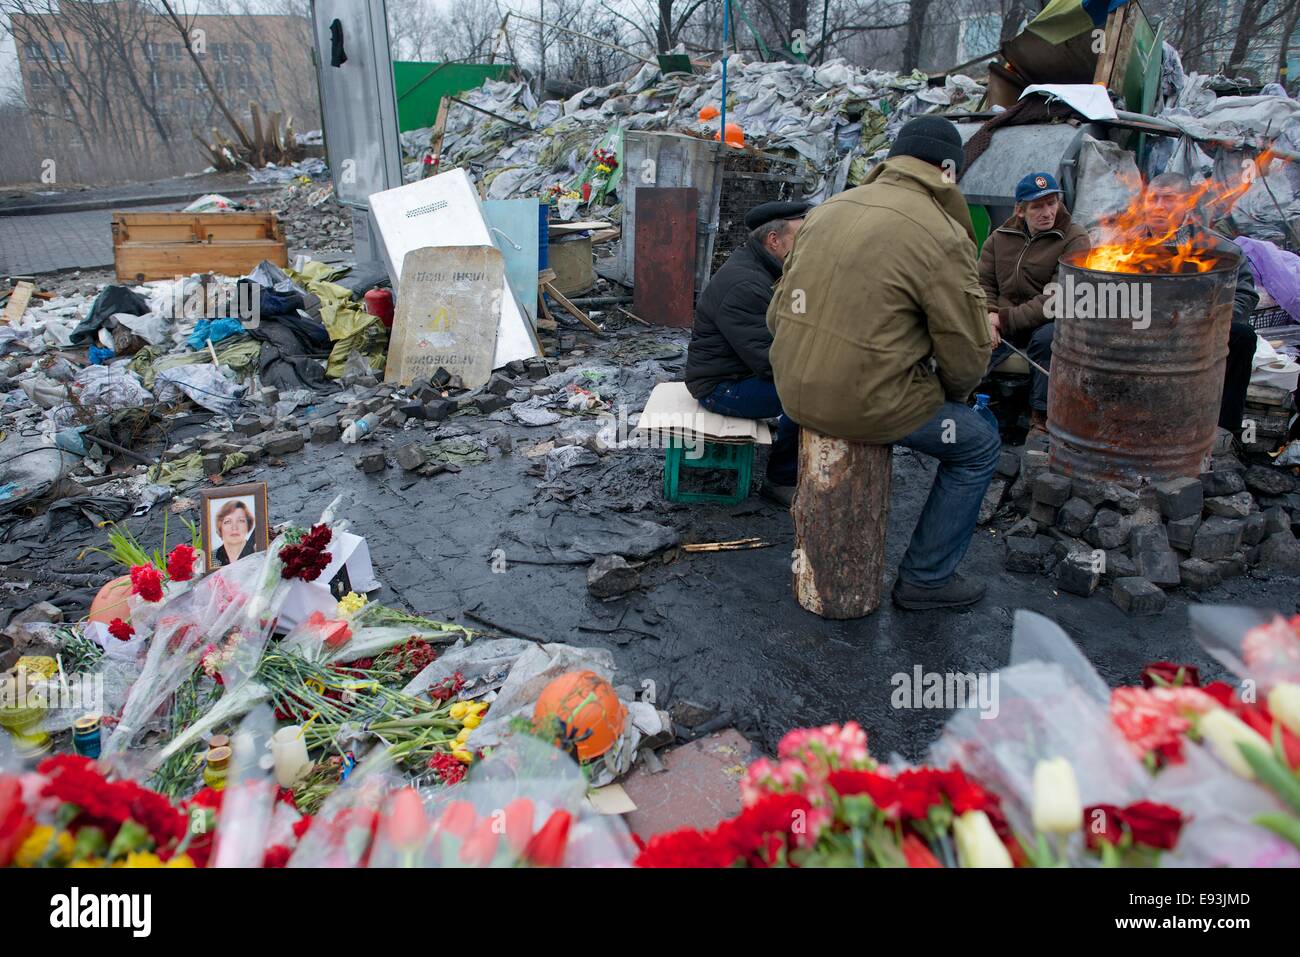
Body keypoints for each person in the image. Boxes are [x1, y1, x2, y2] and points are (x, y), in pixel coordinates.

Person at [768, 116, 1000, 610]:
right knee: (978, 443)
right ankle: (926, 579)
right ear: (948, 172)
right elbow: (965, 350)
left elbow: (777, 314)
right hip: (864, 404)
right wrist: (956, 396)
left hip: (791, 390)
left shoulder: (827, 210)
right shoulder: (943, 234)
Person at [685, 200, 811, 505]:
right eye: (801, 238)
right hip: (719, 388)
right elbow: (770, 362)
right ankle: (779, 479)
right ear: (773, 241)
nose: (808, 246)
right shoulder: (746, 283)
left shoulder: (763, 268)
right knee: (807, 396)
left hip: (737, 372)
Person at [1142, 172, 1260, 436]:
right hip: (1139, 329)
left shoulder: (1222, 250)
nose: (1159, 206)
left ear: (1188, 203)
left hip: (1199, 331)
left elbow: (1245, 296)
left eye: (1169, 199)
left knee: (1242, 337)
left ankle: (1224, 432)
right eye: (1153, 198)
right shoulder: (1122, 246)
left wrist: (1206, 320)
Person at [978, 172, 1090, 432]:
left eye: (1052, 203)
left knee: (1048, 340)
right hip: (1003, 318)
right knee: (969, 336)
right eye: (1037, 206)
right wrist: (987, 315)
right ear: (1020, 210)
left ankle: (1041, 417)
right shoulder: (1000, 237)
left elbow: (1058, 297)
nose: (1047, 212)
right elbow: (982, 282)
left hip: (1049, 319)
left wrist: (1002, 320)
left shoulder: (1074, 238)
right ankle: (970, 407)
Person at [213, 499, 257, 567]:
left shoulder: (259, 553)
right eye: (228, 522)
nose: (234, 527)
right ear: (220, 529)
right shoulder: (210, 560)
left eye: (240, 520)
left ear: (248, 526)